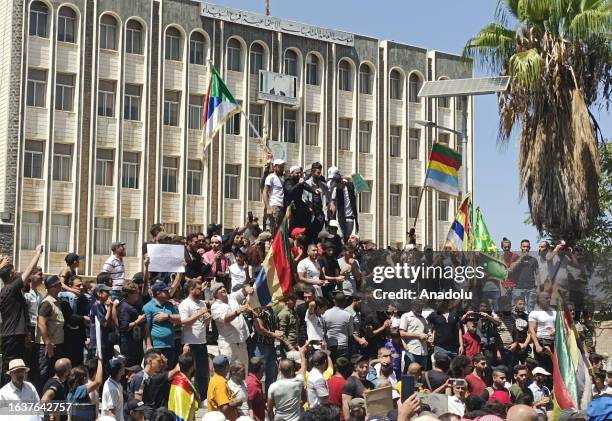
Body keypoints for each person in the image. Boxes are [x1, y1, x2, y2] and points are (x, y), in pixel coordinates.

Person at [0, 245, 42, 386]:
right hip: (12, 336)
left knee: (18, 368)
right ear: (11, 276)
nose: (18, 273)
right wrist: (37, 254)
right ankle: (5, 402)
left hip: (16, 335)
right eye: (14, 272)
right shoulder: (10, 289)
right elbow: (29, 270)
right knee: (10, 369)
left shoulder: (11, 291)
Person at [178, 279, 211, 399]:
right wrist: (199, 314)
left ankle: (202, 398)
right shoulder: (185, 304)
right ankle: (187, 397)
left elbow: (204, 323)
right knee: (189, 373)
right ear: (191, 289)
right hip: (190, 343)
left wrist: (207, 318)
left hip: (202, 342)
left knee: (203, 373)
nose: (201, 290)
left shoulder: (202, 303)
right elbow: (184, 322)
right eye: (198, 288)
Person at [36, 275, 67, 391]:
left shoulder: (56, 302)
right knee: (43, 374)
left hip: (56, 344)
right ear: (53, 287)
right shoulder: (47, 303)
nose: (61, 286)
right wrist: (47, 342)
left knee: (52, 374)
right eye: (59, 284)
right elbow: (41, 323)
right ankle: (41, 401)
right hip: (47, 346)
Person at [210, 283, 253, 364]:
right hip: (228, 346)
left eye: (223, 287)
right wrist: (237, 312)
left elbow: (242, 291)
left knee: (243, 371)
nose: (223, 289)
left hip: (242, 343)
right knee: (227, 373)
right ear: (215, 294)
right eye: (219, 288)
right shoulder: (215, 306)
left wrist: (246, 288)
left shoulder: (232, 297)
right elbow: (225, 318)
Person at [133, 350, 181, 420]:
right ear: (150, 361)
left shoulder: (150, 376)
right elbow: (137, 400)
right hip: (146, 414)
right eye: (158, 361)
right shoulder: (140, 377)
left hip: (152, 412)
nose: (161, 363)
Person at [143, 281, 181, 368]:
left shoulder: (169, 305)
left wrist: (167, 316)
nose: (168, 293)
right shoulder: (148, 307)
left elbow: (180, 319)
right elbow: (146, 328)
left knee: (169, 372)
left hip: (171, 345)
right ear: (158, 292)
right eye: (166, 291)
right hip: (156, 347)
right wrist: (149, 345)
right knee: (156, 372)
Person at [267, 349, 307, 421]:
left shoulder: (273, 386)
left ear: (279, 369)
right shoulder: (298, 382)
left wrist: (272, 419)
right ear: (292, 369)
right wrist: (302, 354)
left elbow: (269, 408)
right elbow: (303, 367)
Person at [117, 281, 147, 368]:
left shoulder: (131, 305)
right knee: (130, 368)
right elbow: (124, 327)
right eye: (136, 292)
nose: (138, 294)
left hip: (135, 343)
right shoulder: (125, 307)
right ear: (130, 294)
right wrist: (138, 321)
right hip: (128, 346)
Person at [528, 291, 556, 376]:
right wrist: (537, 345)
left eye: (549, 298)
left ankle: (552, 388)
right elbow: (531, 330)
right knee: (542, 369)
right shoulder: (534, 313)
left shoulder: (554, 311)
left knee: (553, 367)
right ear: (539, 300)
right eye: (546, 298)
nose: (549, 300)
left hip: (553, 342)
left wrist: (555, 330)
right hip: (542, 342)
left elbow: (558, 326)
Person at [207, 355, 241, 421]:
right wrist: (237, 403)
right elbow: (225, 408)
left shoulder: (214, 379)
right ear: (226, 367)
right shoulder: (220, 383)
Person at [304, 162, 330, 245]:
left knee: (319, 239)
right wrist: (309, 208)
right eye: (318, 172)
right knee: (310, 238)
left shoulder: (323, 185)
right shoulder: (306, 184)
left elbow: (328, 199)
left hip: (320, 216)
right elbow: (304, 199)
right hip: (310, 216)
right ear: (312, 172)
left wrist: (327, 206)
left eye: (320, 172)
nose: (319, 175)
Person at [508, 240, 539, 311]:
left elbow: (537, 274)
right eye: (524, 246)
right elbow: (510, 269)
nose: (525, 248)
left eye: (527, 247)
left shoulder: (533, 259)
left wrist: (538, 287)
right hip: (518, 287)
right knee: (516, 308)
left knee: (530, 308)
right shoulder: (515, 258)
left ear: (530, 248)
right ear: (520, 247)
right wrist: (521, 258)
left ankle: (529, 322)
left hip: (531, 288)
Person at [341, 355, 375, 419]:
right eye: (361, 367)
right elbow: (345, 405)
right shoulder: (351, 382)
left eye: (366, 367)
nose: (365, 369)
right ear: (355, 367)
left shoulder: (370, 384)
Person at [399, 300, 430, 369]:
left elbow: (427, 332)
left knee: (422, 374)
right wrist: (418, 335)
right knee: (409, 374)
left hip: (423, 351)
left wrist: (427, 336)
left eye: (422, 306)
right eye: (418, 306)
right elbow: (401, 333)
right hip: (411, 350)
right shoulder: (406, 316)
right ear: (413, 306)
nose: (420, 308)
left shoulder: (423, 319)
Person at [322, 292, 353, 361]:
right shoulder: (348, 315)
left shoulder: (325, 314)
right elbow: (350, 333)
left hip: (330, 345)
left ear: (334, 300)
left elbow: (323, 331)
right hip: (343, 345)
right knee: (342, 367)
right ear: (345, 301)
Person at [168, 353, 199, 421]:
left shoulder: (178, 379)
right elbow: (181, 413)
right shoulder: (182, 386)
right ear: (191, 369)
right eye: (194, 365)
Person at [329, 174, 359, 241]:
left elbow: (356, 192)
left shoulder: (351, 186)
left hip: (350, 217)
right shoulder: (336, 190)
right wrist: (332, 212)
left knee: (347, 237)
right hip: (340, 216)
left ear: (341, 182)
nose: (336, 186)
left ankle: (346, 249)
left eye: (337, 184)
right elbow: (332, 202)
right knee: (341, 236)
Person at [263, 158, 286, 236]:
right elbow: (265, 192)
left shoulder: (281, 179)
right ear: (275, 167)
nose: (282, 169)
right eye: (280, 167)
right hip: (274, 206)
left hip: (280, 207)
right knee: (270, 232)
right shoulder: (271, 177)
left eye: (283, 167)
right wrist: (268, 207)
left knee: (277, 232)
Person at [246, 357, 266, 421]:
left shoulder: (256, 381)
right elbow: (249, 405)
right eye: (263, 371)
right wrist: (256, 418)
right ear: (260, 369)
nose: (263, 374)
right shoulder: (252, 384)